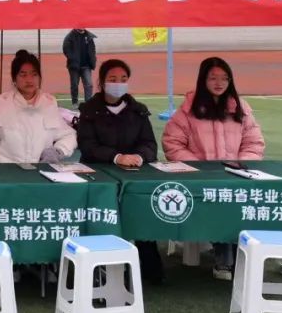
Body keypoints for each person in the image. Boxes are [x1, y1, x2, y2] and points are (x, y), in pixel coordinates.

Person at [162, 56, 266, 281]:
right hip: (200, 179)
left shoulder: (241, 108)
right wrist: (199, 167)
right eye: (213, 78)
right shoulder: (188, 110)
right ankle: (225, 260)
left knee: (244, 202)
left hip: (236, 175)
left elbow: (253, 143)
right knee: (220, 203)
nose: (219, 83)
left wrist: (242, 164)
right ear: (203, 80)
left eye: (224, 78)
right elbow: (173, 143)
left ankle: (244, 257)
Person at [77, 59, 162, 282]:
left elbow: (149, 144)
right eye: (112, 79)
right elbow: (87, 146)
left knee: (141, 210)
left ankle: (149, 267)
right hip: (98, 174)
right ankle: (100, 266)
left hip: (133, 175)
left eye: (123, 79)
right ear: (102, 82)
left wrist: (139, 157)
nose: (118, 84)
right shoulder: (89, 111)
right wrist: (116, 157)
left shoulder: (138, 111)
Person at [0, 50, 76, 165]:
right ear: (14, 78)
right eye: (23, 75)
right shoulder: (2, 108)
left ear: (39, 77)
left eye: (34, 74)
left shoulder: (49, 106)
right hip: (8, 172)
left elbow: (69, 135)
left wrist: (57, 151)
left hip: (40, 172)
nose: (29, 80)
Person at [62, 28, 96, 106]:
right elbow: (65, 48)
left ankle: (88, 103)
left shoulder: (89, 36)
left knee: (89, 84)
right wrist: (72, 58)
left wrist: (93, 59)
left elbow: (92, 49)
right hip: (74, 66)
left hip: (86, 65)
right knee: (74, 85)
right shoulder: (70, 36)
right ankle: (75, 102)